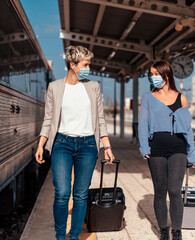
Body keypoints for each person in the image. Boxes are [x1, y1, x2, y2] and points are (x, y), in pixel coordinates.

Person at [34, 45, 115, 240]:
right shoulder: (55, 87)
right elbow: (48, 119)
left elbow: (100, 120)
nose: (89, 67)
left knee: (80, 194)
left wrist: (107, 146)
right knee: (62, 192)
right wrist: (41, 145)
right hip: (61, 143)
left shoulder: (93, 86)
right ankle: (60, 236)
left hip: (88, 145)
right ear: (73, 65)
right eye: (86, 64)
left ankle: (74, 235)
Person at [138, 60, 195, 240]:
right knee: (160, 190)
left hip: (177, 148)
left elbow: (187, 129)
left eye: (156, 74)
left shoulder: (181, 98)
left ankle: (177, 231)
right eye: (151, 74)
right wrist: (145, 147)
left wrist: (193, 156)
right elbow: (143, 124)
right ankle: (164, 230)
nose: (153, 77)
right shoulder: (148, 97)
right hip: (156, 148)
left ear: (166, 75)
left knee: (174, 190)